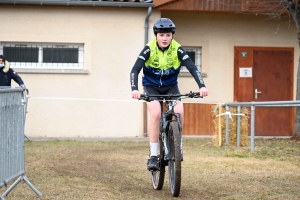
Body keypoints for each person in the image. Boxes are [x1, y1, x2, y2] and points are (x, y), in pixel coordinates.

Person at [130, 18, 208, 171]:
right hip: (151, 87)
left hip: (171, 87)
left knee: (179, 111)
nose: (164, 38)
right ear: (156, 35)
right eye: (161, 35)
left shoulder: (177, 49)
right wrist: (134, 88)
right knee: (156, 113)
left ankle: (178, 146)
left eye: (168, 35)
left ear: (172, 35)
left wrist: (202, 86)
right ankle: (153, 156)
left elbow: (193, 68)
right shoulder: (148, 49)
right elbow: (135, 70)